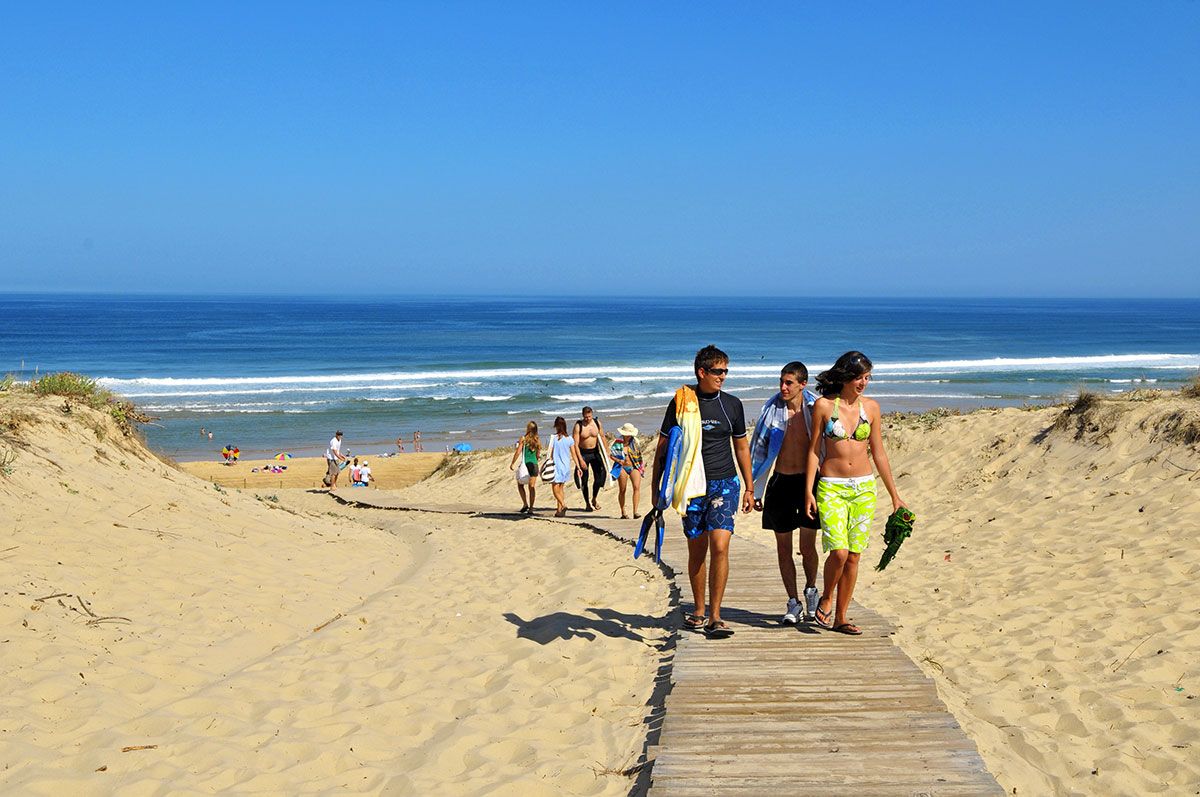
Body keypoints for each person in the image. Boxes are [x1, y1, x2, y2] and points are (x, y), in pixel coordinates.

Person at [652, 345, 753, 639]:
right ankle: (698, 610)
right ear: (702, 372)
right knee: (697, 549)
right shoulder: (682, 403)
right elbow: (663, 449)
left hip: (724, 482)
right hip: (691, 487)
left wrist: (749, 486)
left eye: (725, 371)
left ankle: (716, 615)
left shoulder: (732, 405)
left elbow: (741, 447)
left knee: (720, 546)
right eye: (719, 371)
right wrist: (657, 489)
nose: (724, 376)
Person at [804, 351, 907, 635]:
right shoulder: (824, 406)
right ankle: (827, 596)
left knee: (854, 556)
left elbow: (879, 454)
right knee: (838, 552)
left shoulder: (871, 408)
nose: (864, 382)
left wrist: (895, 496)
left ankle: (841, 616)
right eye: (860, 377)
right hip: (832, 487)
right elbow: (814, 451)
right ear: (846, 377)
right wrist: (808, 492)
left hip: (864, 488)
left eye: (867, 377)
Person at [751, 362, 821, 625]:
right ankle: (793, 602)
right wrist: (755, 489)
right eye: (781, 381)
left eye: (789, 383)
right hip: (780, 482)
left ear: (803, 384)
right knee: (783, 549)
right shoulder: (771, 410)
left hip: (808, 484)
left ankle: (811, 591)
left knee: (806, 547)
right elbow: (758, 450)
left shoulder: (816, 409)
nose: (783, 387)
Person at [549, 416, 584, 517]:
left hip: (556, 466)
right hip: (566, 467)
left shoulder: (553, 439)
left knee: (555, 489)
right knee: (561, 489)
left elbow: (550, 454)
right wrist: (578, 466)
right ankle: (559, 510)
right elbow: (574, 454)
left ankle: (563, 505)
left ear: (556, 426)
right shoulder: (569, 439)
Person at [573, 406, 606, 511]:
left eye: (589, 416)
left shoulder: (597, 423)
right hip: (584, 454)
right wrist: (581, 460)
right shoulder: (578, 426)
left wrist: (607, 451)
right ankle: (587, 503)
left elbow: (603, 437)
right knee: (584, 479)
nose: (588, 419)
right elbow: (575, 445)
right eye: (586, 417)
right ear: (583, 416)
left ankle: (594, 498)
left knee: (599, 477)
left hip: (595, 452)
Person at [610, 422, 644, 519]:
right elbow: (611, 455)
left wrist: (642, 465)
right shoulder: (618, 442)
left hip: (634, 465)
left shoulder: (635, 442)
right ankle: (623, 512)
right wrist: (618, 460)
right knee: (623, 489)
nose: (628, 436)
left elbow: (639, 454)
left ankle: (635, 511)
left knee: (636, 487)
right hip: (622, 467)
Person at [509, 421, 541, 514]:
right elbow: (537, 455)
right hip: (534, 464)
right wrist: (535, 461)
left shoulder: (523, 439)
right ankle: (531, 508)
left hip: (525, 464)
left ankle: (525, 504)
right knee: (532, 487)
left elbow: (518, 452)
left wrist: (512, 463)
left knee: (520, 484)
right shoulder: (537, 440)